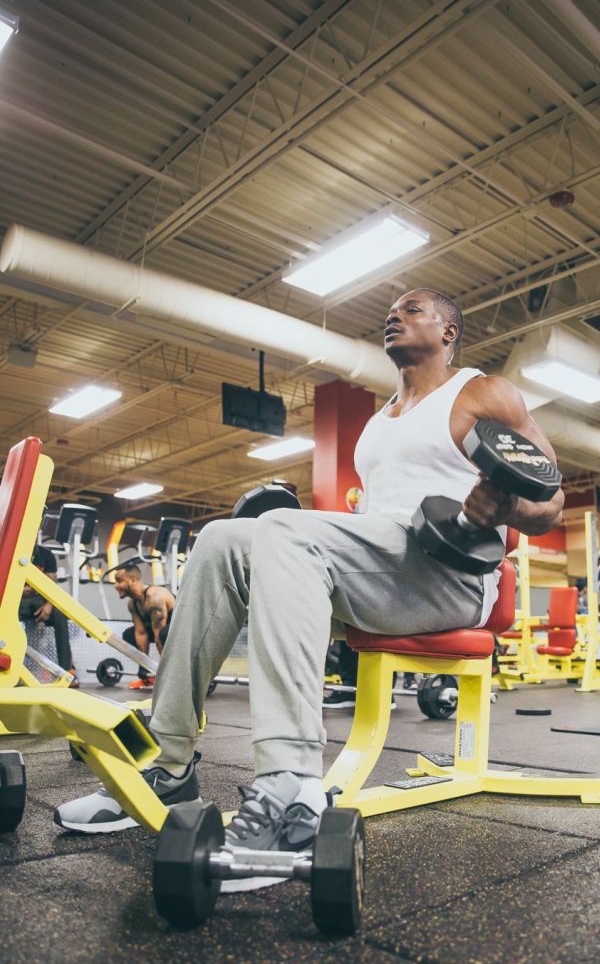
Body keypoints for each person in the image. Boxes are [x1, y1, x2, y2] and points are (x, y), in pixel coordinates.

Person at [55, 288, 564, 858]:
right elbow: (374, 525)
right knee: (221, 540)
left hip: (449, 576)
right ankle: (167, 763)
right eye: (390, 310)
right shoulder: (379, 422)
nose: (394, 315)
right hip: (384, 572)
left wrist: (507, 506)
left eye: (412, 309)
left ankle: (291, 788)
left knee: (284, 528)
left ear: (449, 331)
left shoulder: (482, 391)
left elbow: (551, 501)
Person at [19, 541, 78, 687]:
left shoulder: (46, 555)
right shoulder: (13, 551)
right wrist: (19, 589)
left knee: (59, 615)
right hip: (17, 599)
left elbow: (52, 586)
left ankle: (67, 670)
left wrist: (49, 606)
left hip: (40, 600)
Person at [112, 562, 175, 689]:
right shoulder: (133, 604)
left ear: (133, 580)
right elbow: (141, 633)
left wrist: (164, 673)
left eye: (119, 581)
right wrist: (144, 666)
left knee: (163, 634)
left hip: (183, 631)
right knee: (129, 635)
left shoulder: (154, 597)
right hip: (162, 631)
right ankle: (149, 677)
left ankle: (172, 674)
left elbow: (158, 636)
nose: (115, 585)